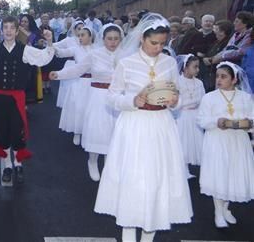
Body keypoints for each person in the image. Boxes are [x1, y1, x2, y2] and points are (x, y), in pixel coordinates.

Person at [94, 13, 193, 242]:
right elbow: (111, 97)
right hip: (134, 125)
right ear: (141, 39)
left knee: (158, 180)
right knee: (133, 180)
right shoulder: (126, 64)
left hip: (161, 127)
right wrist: (132, 101)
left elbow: (178, 94)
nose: (158, 48)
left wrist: (175, 102)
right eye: (153, 43)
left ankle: (149, 235)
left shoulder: (169, 63)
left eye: (162, 43)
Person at [0, 16, 54, 184]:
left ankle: (18, 163)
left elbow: (43, 58)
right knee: (2, 130)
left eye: (12, 28)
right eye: (5, 27)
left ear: (16, 30)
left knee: (17, 130)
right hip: (0, 97)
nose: (8, 31)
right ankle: (7, 165)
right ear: (1, 29)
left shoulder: (25, 50)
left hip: (18, 97)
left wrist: (49, 43)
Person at [50, 24, 123, 181]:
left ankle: (110, 164)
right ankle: (92, 161)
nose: (113, 42)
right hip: (98, 96)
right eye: (109, 39)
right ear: (103, 39)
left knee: (115, 131)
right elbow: (78, 69)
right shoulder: (95, 55)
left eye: (116, 39)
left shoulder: (125, 56)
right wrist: (59, 74)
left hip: (117, 97)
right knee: (98, 129)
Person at [197, 62, 254, 228]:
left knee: (233, 174)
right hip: (217, 141)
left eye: (224, 77)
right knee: (219, 174)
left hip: (237, 142)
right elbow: (201, 120)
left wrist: (247, 123)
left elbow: (251, 117)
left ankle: (226, 208)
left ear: (234, 79)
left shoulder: (245, 97)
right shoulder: (209, 97)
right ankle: (218, 211)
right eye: (217, 76)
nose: (219, 80)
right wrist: (218, 121)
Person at [52, 26, 93, 146]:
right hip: (79, 82)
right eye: (79, 35)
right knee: (79, 107)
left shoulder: (97, 49)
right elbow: (61, 52)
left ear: (90, 36)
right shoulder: (75, 49)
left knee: (89, 109)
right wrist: (50, 43)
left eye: (83, 35)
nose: (80, 37)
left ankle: (87, 132)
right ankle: (77, 132)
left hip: (93, 84)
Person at [174, 55, 205, 178]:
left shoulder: (199, 83)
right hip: (183, 115)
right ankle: (184, 169)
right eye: (195, 67)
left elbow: (203, 98)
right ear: (185, 67)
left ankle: (203, 170)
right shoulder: (178, 82)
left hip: (196, 114)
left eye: (198, 67)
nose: (197, 70)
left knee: (198, 141)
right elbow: (176, 101)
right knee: (184, 141)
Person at [200, 20, 233, 92]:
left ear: (223, 32)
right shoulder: (216, 42)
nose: (214, 31)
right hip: (209, 73)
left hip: (216, 73)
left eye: (217, 29)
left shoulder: (226, 43)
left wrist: (209, 59)